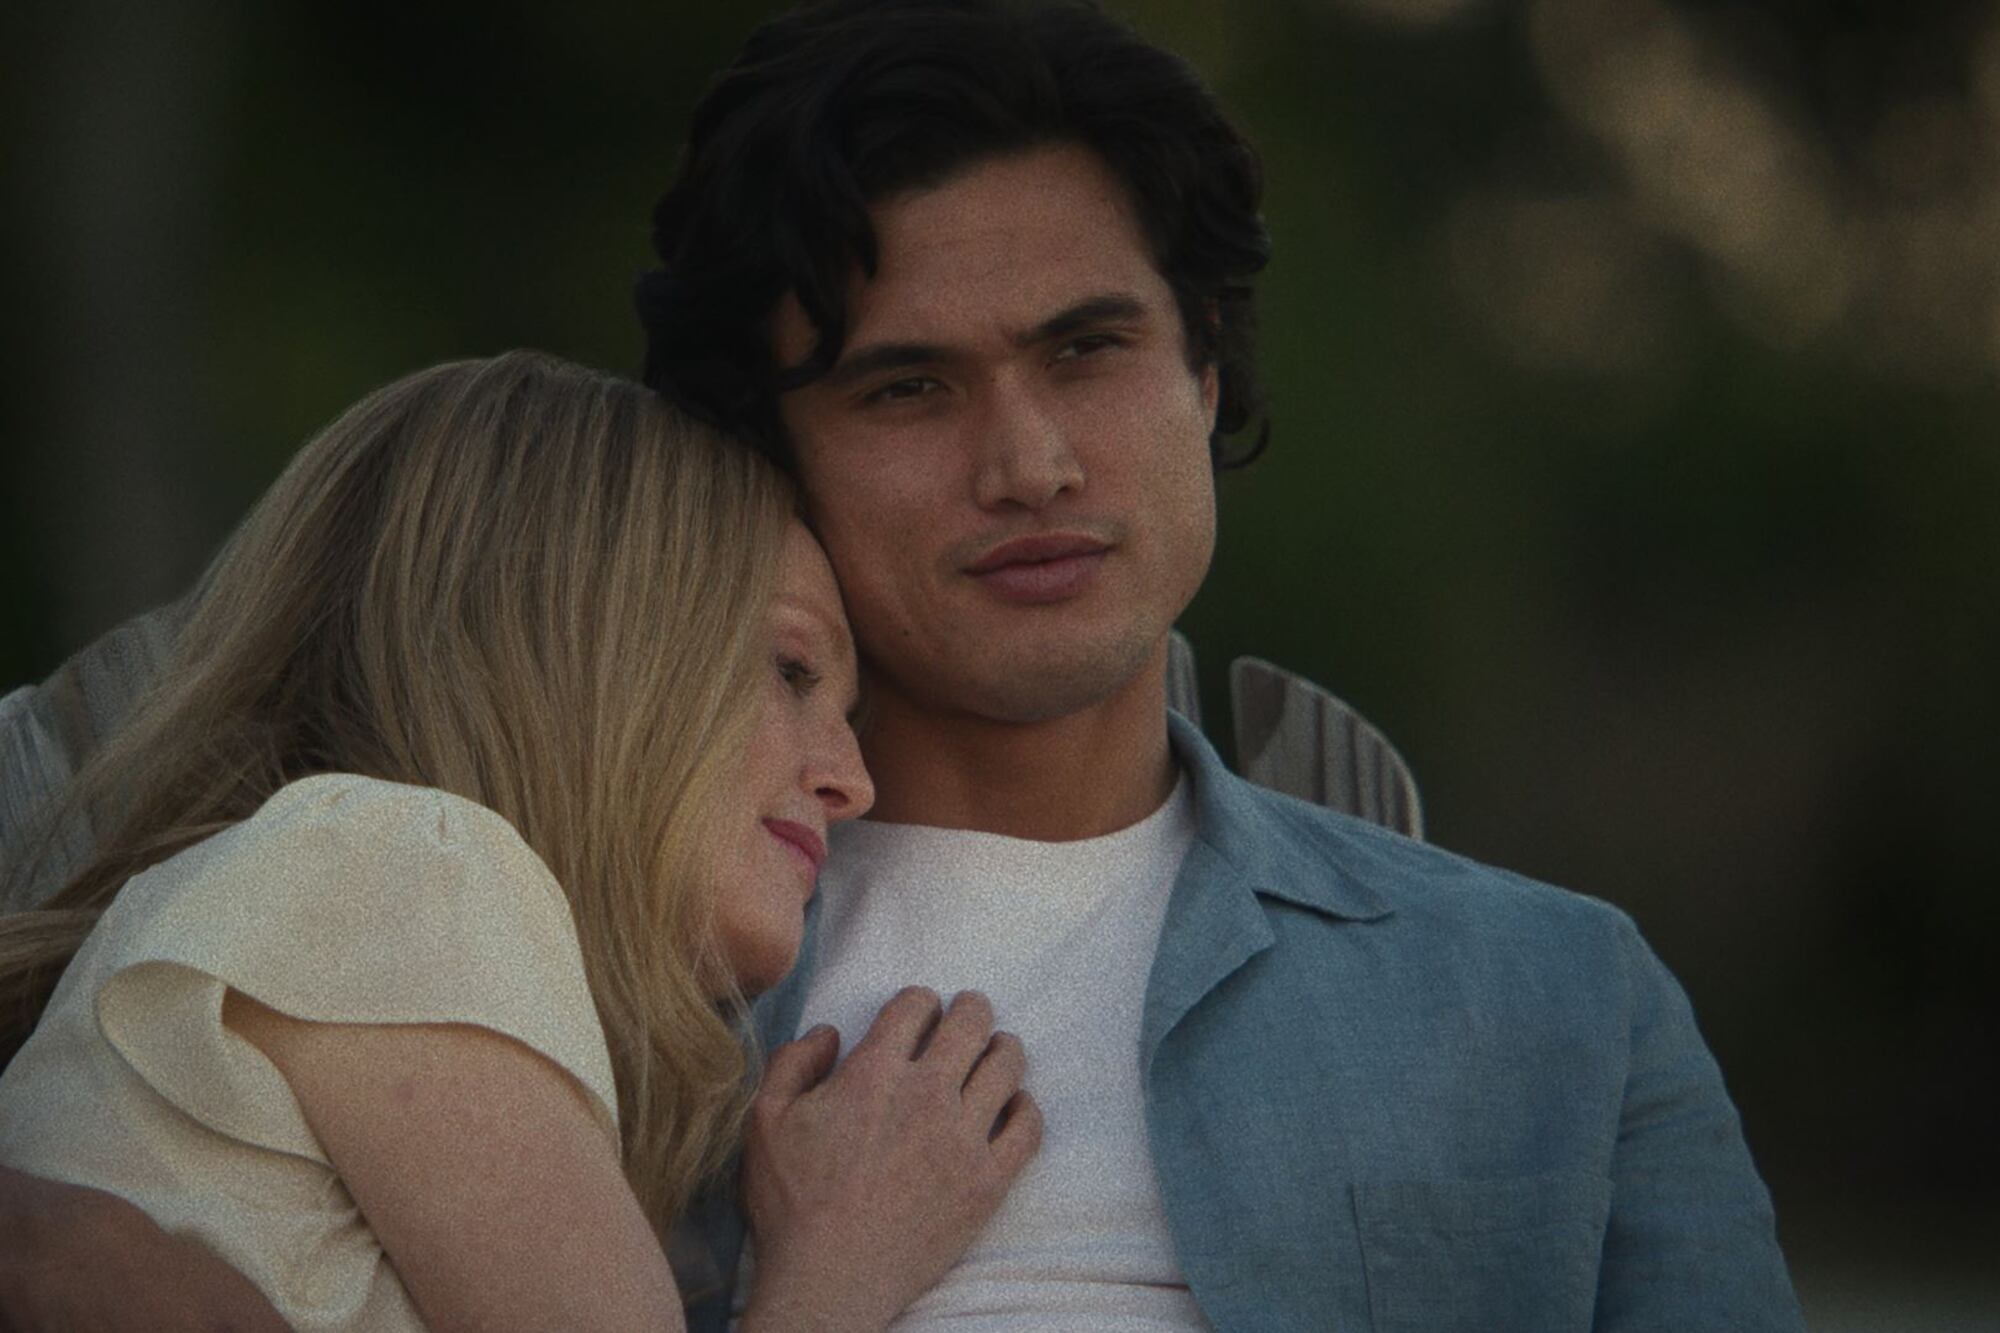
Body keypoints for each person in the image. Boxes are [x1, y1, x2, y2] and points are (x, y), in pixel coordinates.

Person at [1, 1, 1806, 1328]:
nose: (1028, 460)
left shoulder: (1553, 1001)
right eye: (908, 386)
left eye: (1089, 348)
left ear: (1205, 372)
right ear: (766, 458)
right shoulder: (567, 934)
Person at [0, 351, 1041, 1331]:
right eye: (791, 671)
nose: (851, 781)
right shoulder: (399, 866)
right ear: (583, 650)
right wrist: (835, 1267)